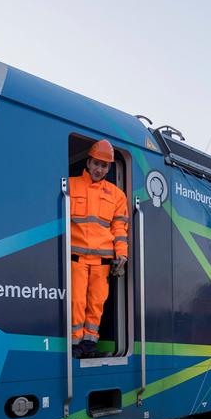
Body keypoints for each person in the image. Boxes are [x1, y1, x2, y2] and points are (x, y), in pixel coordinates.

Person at [70, 139, 129, 358]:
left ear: (109, 168)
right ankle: (74, 344)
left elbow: (120, 227)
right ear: (88, 162)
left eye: (104, 166)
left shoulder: (117, 195)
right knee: (77, 301)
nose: (99, 169)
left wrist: (122, 253)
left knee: (96, 304)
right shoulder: (70, 184)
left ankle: (89, 343)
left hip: (102, 263)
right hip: (76, 259)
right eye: (96, 163)